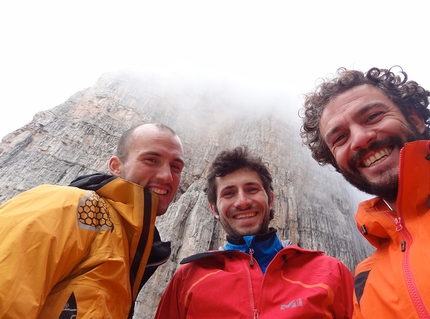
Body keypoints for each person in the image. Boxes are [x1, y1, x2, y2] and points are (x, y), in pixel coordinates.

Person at [0, 123, 185, 319]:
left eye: (176, 167)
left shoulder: (128, 246)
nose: (166, 176)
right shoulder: (70, 205)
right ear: (116, 166)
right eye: (151, 160)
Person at [154, 146, 354, 319]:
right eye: (229, 193)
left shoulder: (330, 273)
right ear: (214, 209)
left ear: (271, 199)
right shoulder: (188, 279)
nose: (242, 202)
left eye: (251, 189)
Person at [300, 66, 430, 318]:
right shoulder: (364, 283)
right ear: (337, 163)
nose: (359, 139)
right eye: (340, 138)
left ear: (414, 119)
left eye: (373, 116)